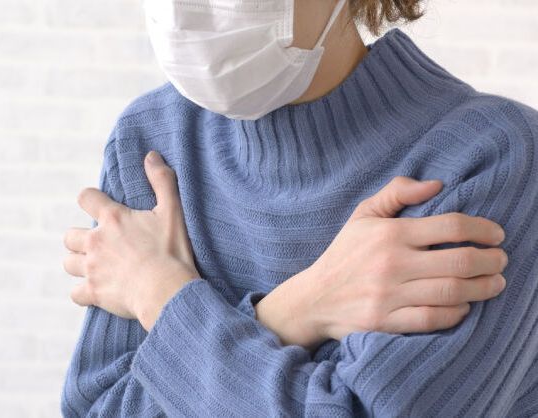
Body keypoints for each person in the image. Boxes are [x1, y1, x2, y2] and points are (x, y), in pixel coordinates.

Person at [60, 0, 538, 416]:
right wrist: (295, 309)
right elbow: (99, 409)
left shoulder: (490, 158)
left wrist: (157, 294)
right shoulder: (151, 142)